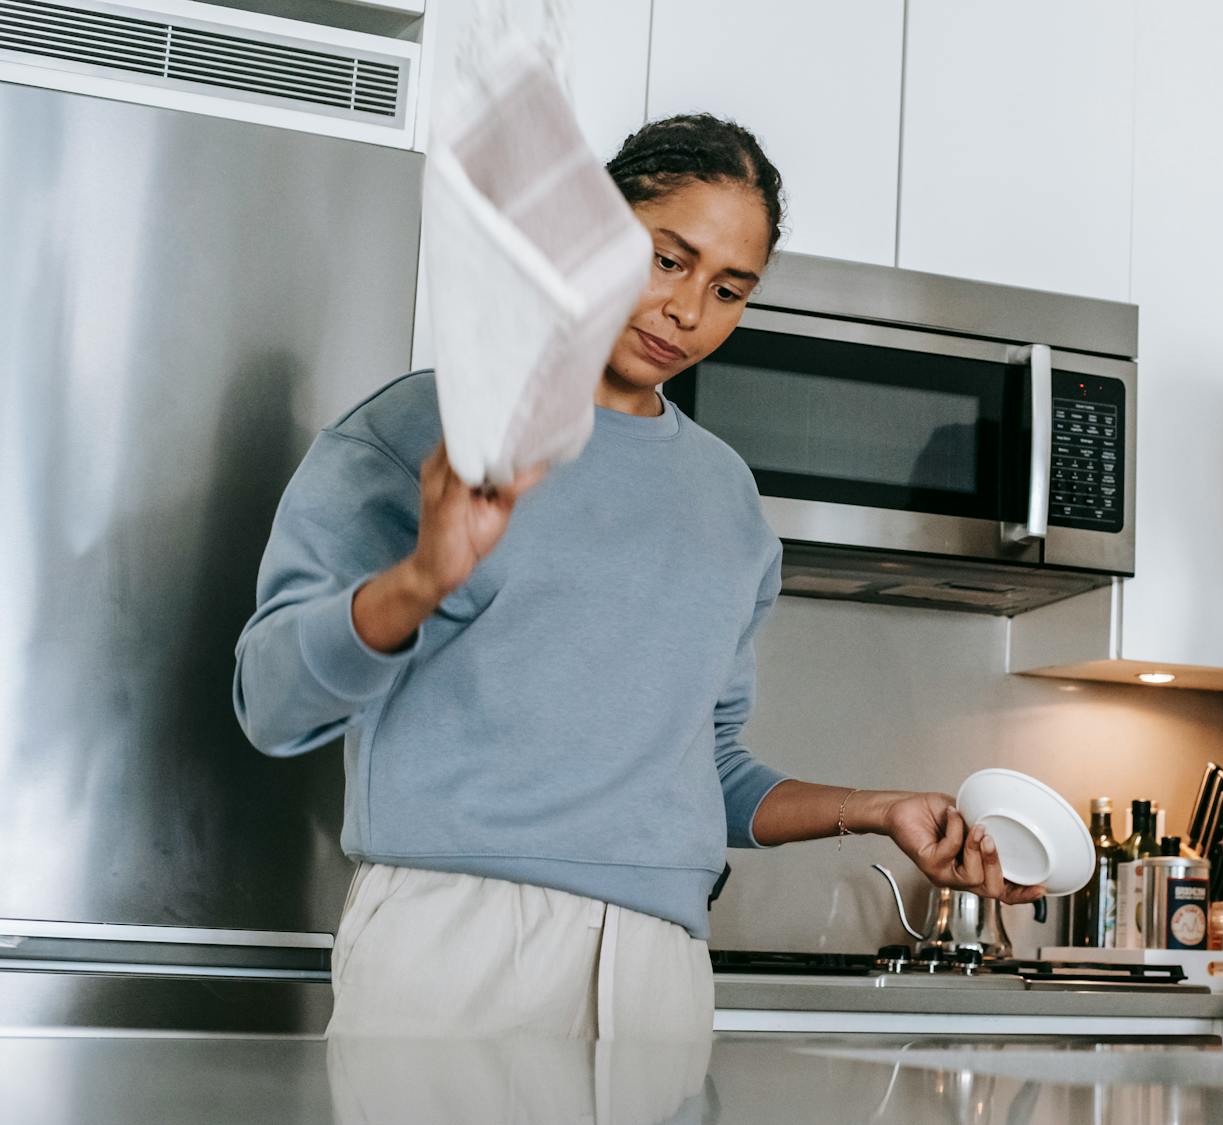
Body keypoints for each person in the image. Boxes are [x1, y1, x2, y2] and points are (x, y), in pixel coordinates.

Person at [234, 113, 1042, 1040]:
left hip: (659, 969)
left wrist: (875, 809)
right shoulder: (423, 429)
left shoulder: (727, 498)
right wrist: (421, 578)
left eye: (730, 288)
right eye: (666, 259)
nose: (689, 311)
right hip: (454, 946)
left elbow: (705, 763)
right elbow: (271, 698)